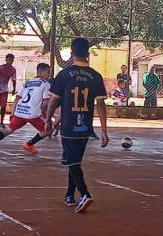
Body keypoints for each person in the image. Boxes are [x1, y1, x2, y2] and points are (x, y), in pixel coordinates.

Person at [45, 37, 109, 213]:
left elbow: (53, 101)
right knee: (75, 161)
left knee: (72, 162)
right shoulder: (95, 76)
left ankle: (85, 193)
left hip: (68, 125)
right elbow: (101, 105)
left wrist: (47, 120)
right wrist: (104, 130)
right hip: (85, 127)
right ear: (88, 54)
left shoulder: (64, 74)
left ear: (71, 53)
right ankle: (69, 194)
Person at [0, 63, 52, 154]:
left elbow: (17, 98)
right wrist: (47, 117)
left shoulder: (27, 83)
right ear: (42, 72)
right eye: (48, 72)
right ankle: (29, 144)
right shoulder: (45, 84)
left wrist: (13, 112)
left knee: (8, 130)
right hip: (33, 114)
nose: (49, 74)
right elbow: (46, 103)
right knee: (49, 130)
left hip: (20, 111)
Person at [0, 54, 17, 129]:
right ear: (6, 60)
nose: (10, 61)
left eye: (12, 60)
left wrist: (14, 88)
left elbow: (14, 79)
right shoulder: (0, 68)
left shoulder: (13, 70)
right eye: (9, 60)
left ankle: (1, 122)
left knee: (3, 105)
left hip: (4, 89)